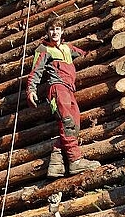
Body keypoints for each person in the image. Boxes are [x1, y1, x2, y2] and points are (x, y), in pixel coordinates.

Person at [27, 15, 100, 178]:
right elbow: (36, 71)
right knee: (67, 122)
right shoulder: (43, 49)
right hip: (57, 89)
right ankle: (75, 161)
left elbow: (85, 55)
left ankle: (56, 162)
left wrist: (98, 43)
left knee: (75, 125)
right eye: (51, 29)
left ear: (62, 31)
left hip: (69, 90)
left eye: (57, 29)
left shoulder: (68, 48)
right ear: (47, 32)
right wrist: (31, 89)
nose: (55, 32)